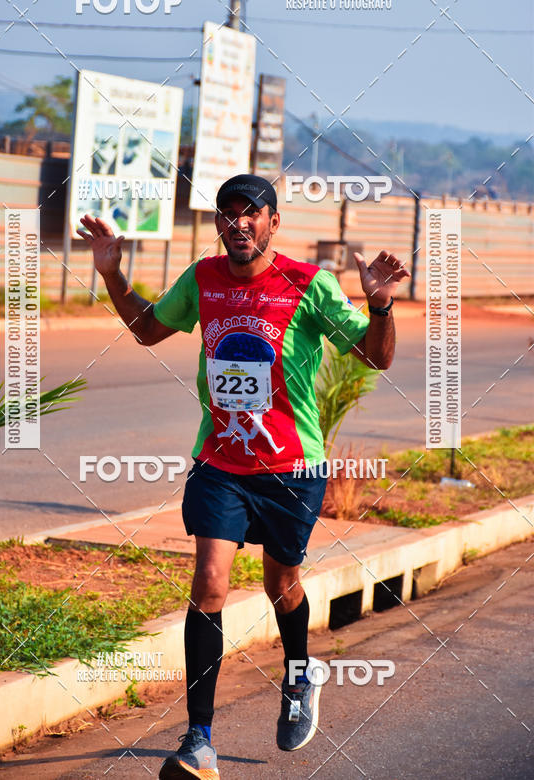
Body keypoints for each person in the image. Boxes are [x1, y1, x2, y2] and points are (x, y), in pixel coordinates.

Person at [78, 174, 410, 779]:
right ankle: (198, 740)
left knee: (281, 582)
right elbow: (148, 330)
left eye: (251, 212)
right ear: (218, 224)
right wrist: (111, 273)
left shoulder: (309, 283)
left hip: (292, 468)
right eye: (228, 213)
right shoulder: (202, 279)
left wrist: (381, 305)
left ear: (273, 223)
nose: (239, 222)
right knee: (210, 580)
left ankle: (299, 676)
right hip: (220, 463)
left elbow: (376, 356)